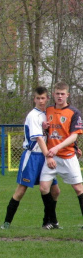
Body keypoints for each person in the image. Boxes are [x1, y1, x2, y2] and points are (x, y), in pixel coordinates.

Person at [1, 87, 60, 229]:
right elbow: (39, 138)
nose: (41, 101)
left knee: (55, 191)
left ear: (47, 99)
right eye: (38, 98)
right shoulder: (33, 115)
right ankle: (7, 223)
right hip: (33, 156)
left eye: (43, 98)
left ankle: (49, 221)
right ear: (34, 99)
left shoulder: (48, 113)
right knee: (21, 191)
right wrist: (48, 156)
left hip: (45, 155)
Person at [39, 81, 83, 230]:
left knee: (78, 189)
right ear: (53, 94)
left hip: (67, 156)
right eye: (57, 93)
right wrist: (44, 128)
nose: (59, 96)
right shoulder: (49, 110)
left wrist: (58, 147)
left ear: (67, 95)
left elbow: (74, 136)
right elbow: (45, 132)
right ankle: (52, 221)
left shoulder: (74, 112)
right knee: (44, 187)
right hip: (51, 156)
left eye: (62, 94)